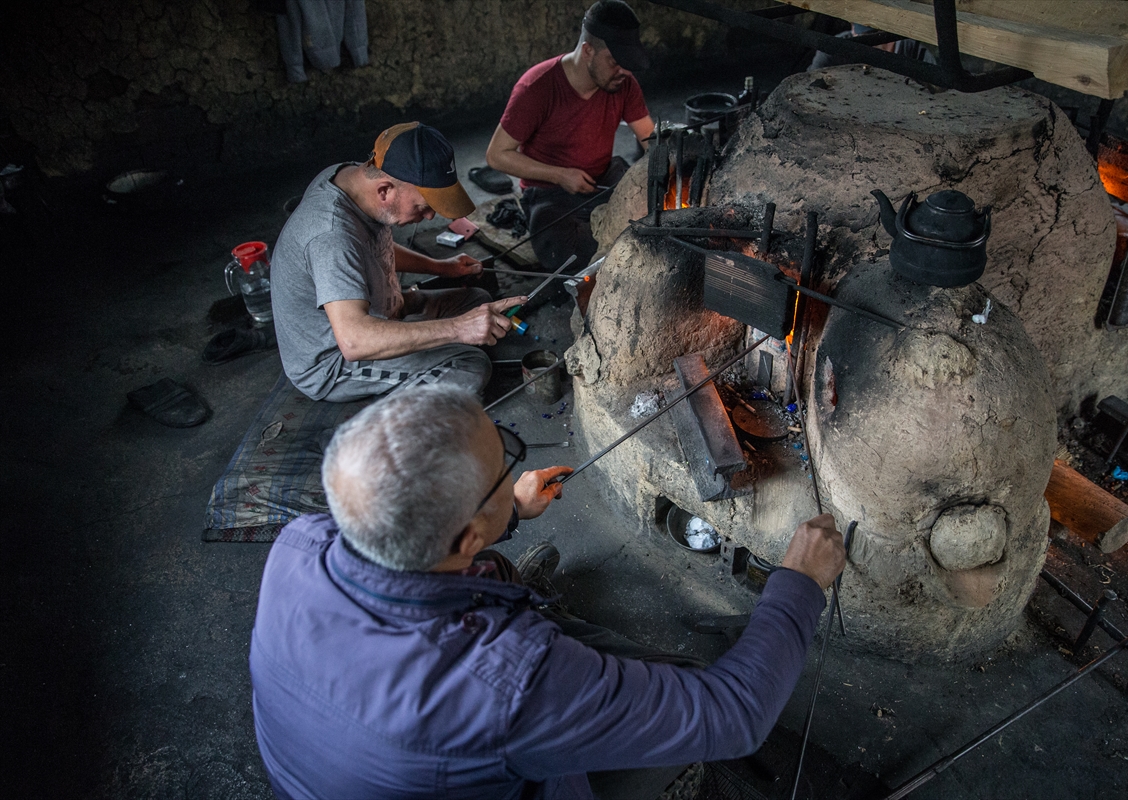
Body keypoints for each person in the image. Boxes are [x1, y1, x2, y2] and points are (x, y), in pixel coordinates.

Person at [250, 384, 848, 799]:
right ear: (464, 536)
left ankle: (511, 591)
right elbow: (734, 713)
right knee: (683, 702)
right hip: (487, 723)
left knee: (503, 589)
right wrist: (797, 583)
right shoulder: (511, 683)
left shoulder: (299, 541)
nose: (515, 474)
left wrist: (504, 512)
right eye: (502, 472)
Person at [271, 122, 527, 402]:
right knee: (470, 366)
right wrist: (459, 328)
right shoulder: (330, 237)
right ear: (384, 191)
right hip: (335, 361)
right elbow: (354, 340)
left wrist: (442, 267)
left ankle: (426, 346)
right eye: (422, 206)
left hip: (384, 309)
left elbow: (372, 247)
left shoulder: (352, 179)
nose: (430, 216)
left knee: (477, 300)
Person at [486, 0, 656, 273]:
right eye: (615, 62)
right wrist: (561, 175)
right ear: (588, 51)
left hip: (603, 178)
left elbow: (650, 139)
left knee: (651, 217)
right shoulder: (537, 87)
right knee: (573, 256)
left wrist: (666, 156)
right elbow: (496, 155)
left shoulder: (623, 83)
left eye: (628, 63)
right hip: (549, 192)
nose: (624, 71)